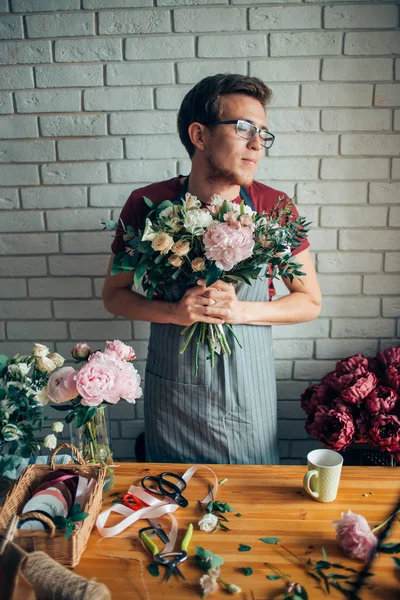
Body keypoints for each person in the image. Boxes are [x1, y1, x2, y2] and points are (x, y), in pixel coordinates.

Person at [102, 74, 322, 465]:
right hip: (173, 398)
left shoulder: (275, 207)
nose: (257, 145)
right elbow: (114, 295)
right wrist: (173, 312)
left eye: (263, 134)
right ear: (199, 135)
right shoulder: (147, 203)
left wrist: (240, 311)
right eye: (243, 129)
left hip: (247, 395)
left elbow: (309, 302)